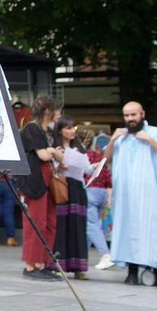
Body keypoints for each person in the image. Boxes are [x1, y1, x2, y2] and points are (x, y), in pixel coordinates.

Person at [109, 101, 157, 287]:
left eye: (133, 115)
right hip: (127, 197)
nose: (130, 119)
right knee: (129, 231)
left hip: (152, 196)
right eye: (126, 115)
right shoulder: (121, 137)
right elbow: (105, 159)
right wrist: (112, 140)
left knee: (154, 233)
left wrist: (150, 141)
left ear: (142, 114)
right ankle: (131, 272)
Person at [18, 96, 61, 280]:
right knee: (36, 223)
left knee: (49, 222)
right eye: (57, 110)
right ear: (47, 111)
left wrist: (53, 152)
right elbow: (43, 155)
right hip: (35, 181)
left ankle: (43, 262)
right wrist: (53, 152)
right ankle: (31, 265)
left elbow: (55, 154)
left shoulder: (48, 131)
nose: (59, 114)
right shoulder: (32, 128)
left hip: (47, 181)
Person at [51, 117, 90, 277]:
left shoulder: (79, 149)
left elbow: (86, 169)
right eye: (68, 128)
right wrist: (58, 164)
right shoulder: (55, 148)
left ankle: (79, 267)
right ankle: (59, 265)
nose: (72, 131)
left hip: (77, 189)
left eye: (74, 127)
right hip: (62, 187)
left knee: (78, 227)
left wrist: (94, 167)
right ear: (60, 130)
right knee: (61, 226)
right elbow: (50, 168)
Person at [87, 135, 115, 270]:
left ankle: (105, 255)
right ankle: (82, 257)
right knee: (92, 225)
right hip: (102, 193)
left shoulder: (86, 156)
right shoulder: (103, 159)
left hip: (89, 191)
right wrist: (109, 198)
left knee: (91, 225)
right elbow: (108, 179)